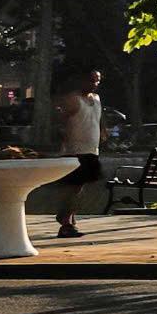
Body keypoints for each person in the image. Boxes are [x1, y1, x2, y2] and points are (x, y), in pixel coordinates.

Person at [51, 68, 105, 239]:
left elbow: (97, 119)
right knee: (73, 188)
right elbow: (61, 122)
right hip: (75, 151)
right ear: (82, 80)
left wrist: (103, 130)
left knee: (80, 187)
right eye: (91, 80)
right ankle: (66, 222)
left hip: (92, 149)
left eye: (97, 80)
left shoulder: (96, 99)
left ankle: (68, 219)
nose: (94, 84)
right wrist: (63, 144)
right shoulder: (73, 99)